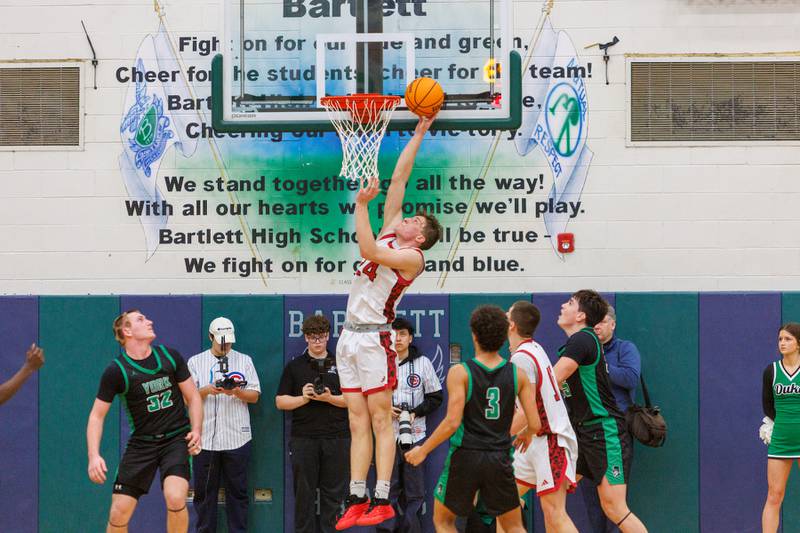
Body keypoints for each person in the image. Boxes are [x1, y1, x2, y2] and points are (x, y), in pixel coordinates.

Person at [335, 116, 443, 530]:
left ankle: (382, 497)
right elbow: (398, 180)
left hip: (375, 339)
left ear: (419, 237)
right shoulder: (391, 233)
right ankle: (356, 496)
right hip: (348, 337)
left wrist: (360, 205)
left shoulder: (413, 258)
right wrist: (418, 133)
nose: (408, 217)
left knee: (381, 419)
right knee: (355, 420)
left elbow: (367, 248)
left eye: (415, 221)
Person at [404, 305, 541, 533]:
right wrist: (527, 434)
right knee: (514, 526)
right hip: (499, 458)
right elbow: (534, 423)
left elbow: (452, 422)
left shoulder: (461, 372)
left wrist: (423, 450)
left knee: (444, 521)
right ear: (504, 335)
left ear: (474, 335)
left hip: (465, 457)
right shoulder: (519, 374)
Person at [86, 310, 203, 533]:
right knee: (118, 512)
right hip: (142, 444)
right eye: (141, 319)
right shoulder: (116, 371)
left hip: (176, 438)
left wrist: (196, 429)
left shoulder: (169, 357)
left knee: (175, 496)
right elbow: (96, 416)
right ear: (126, 331)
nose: (149, 321)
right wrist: (93, 455)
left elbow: (193, 397)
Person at [552, 291, 647, 533]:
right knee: (553, 497)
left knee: (615, 509)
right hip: (583, 433)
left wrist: (522, 411)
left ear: (581, 315)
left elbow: (551, 382)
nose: (563, 305)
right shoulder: (574, 345)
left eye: (570, 303)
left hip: (604, 432)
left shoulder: (583, 341)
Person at [500, 301, 579, 533]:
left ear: (512, 325)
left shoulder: (522, 357)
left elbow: (527, 410)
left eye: (507, 313)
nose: (504, 315)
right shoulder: (533, 348)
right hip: (532, 440)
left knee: (555, 514)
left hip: (550, 439)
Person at [277, 314, 350, 533]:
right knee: (304, 496)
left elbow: (353, 401)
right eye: (312, 337)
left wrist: (329, 398)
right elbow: (280, 401)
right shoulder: (295, 367)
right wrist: (304, 398)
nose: (317, 342)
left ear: (328, 336)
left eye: (321, 337)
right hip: (304, 439)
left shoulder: (341, 364)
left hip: (336, 437)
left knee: (334, 496)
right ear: (306, 338)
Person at [188, 317, 261, 533]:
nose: (225, 346)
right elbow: (186, 397)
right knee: (204, 495)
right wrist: (207, 390)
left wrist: (236, 391)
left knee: (237, 494)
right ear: (210, 337)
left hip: (237, 437)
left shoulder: (244, 360)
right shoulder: (195, 362)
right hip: (205, 438)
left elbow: (255, 395)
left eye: (228, 341)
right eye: (221, 341)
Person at [377, 317, 443, 533]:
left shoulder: (422, 363)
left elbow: (436, 397)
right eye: (393, 334)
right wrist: (385, 409)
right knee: (387, 489)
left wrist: (415, 412)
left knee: (414, 492)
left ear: (410, 338)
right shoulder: (379, 362)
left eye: (402, 334)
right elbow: (365, 398)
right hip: (386, 435)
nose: (398, 338)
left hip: (415, 435)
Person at [582, 305, 642, 532]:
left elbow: (630, 378)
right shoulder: (582, 351)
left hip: (615, 433)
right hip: (587, 432)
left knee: (615, 505)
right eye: (593, 321)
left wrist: (600, 366)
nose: (596, 325)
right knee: (592, 504)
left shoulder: (624, 349)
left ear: (612, 324)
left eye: (602, 321)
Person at [761, 323, 800, 532]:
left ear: (798, 343)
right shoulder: (772, 370)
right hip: (782, 439)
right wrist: (784, 424)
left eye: (788, 339)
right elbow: (767, 405)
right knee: (774, 494)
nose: (782, 343)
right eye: (780, 339)